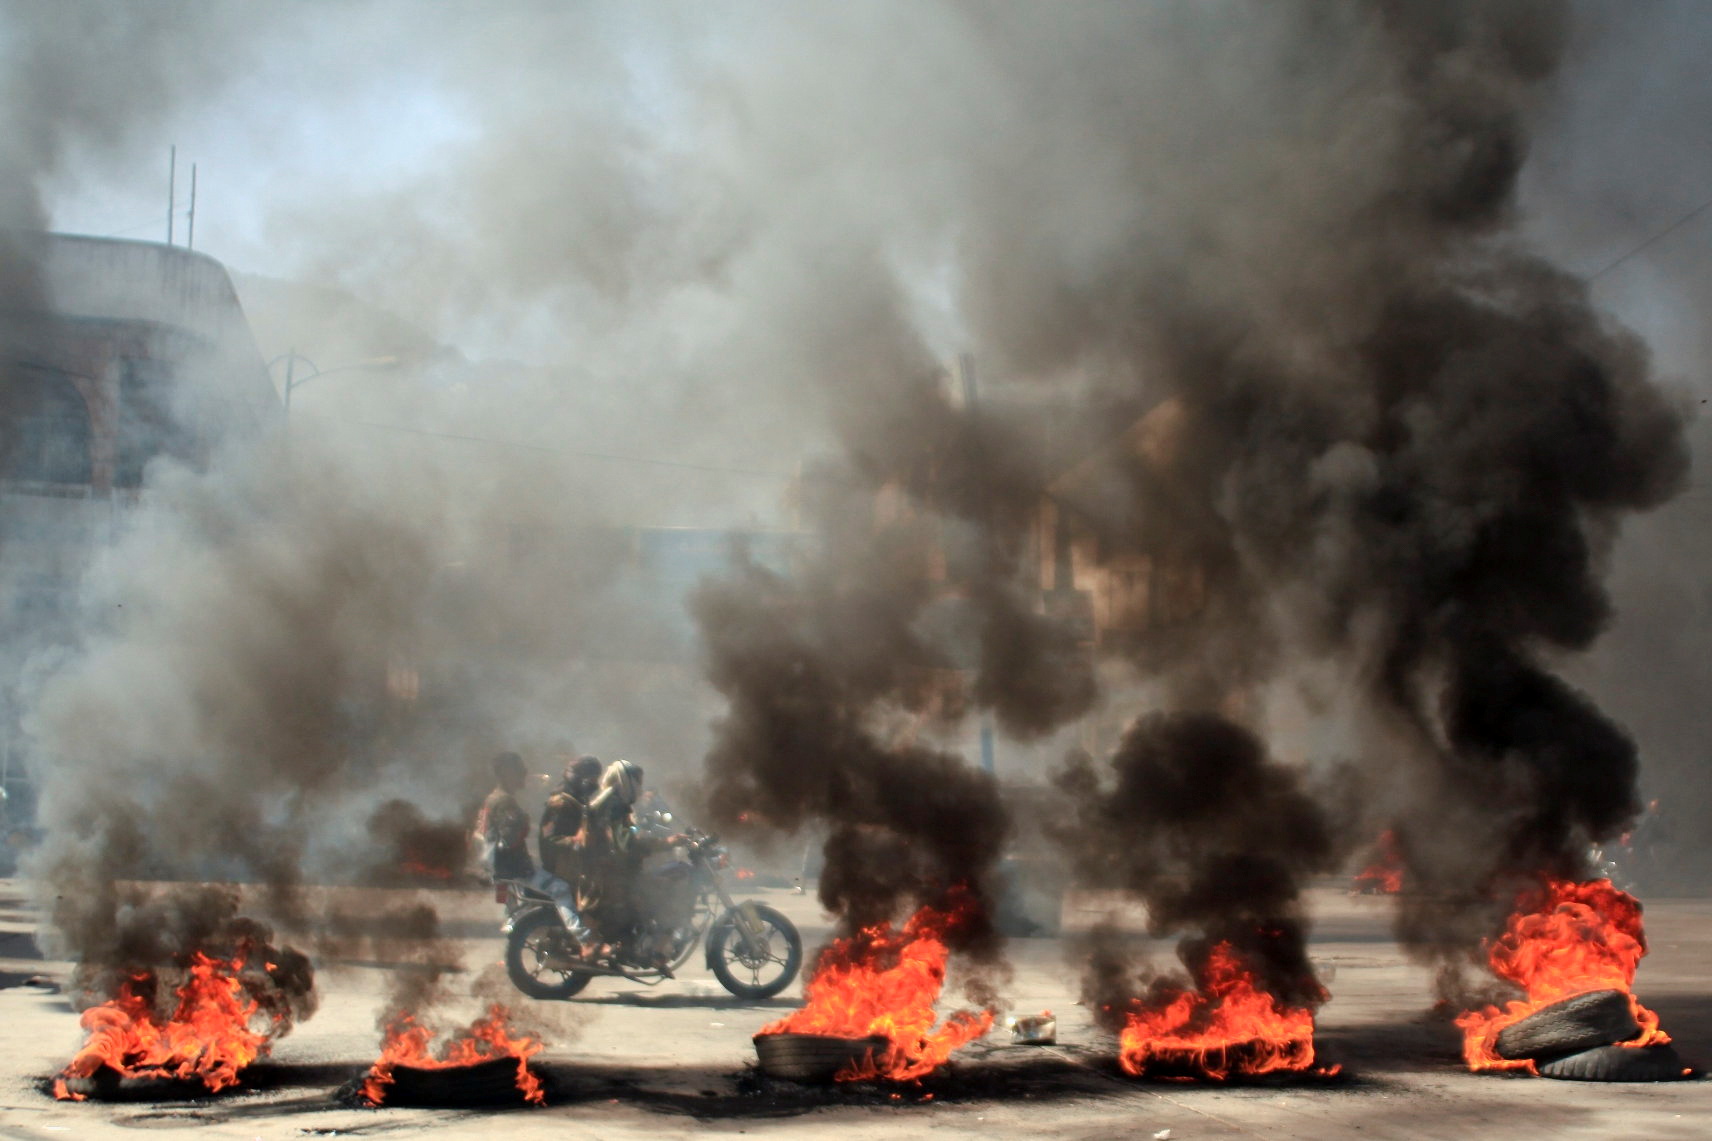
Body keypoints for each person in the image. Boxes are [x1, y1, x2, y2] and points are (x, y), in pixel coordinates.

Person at [473, 751, 596, 950]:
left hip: (502, 866)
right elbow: (511, 837)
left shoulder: (492, 799)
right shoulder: (504, 801)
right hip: (515, 867)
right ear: (505, 773)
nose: (524, 773)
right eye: (519, 770)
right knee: (561, 889)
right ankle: (584, 940)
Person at [579, 759, 687, 962]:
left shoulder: (610, 800)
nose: (640, 787)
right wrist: (666, 843)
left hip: (608, 870)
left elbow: (624, 839)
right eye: (637, 782)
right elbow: (626, 846)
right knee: (665, 896)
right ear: (625, 781)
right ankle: (654, 949)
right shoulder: (616, 805)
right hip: (612, 875)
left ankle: (642, 944)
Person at [539, 754, 603, 883]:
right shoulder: (561, 803)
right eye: (592, 779)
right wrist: (576, 841)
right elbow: (548, 840)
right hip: (561, 875)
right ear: (581, 779)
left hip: (578, 871)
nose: (595, 784)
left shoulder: (579, 801)